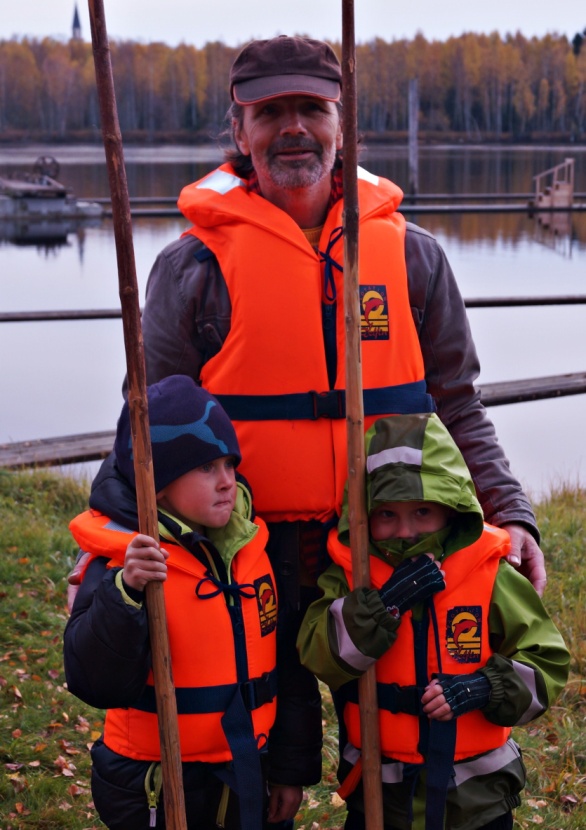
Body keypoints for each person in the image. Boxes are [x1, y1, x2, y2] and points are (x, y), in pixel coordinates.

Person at [129, 34, 546, 787]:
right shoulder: (190, 268)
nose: (294, 128)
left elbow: (456, 401)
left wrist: (510, 512)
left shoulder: (413, 255)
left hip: (389, 539)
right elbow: (149, 424)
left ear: (341, 123)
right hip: (251, 556)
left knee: (395, 757)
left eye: (312, 109)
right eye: (271, 112)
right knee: (267, 774)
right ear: (239, 130)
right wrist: (113, 548)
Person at [297, 412, 569, 830]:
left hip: (476, 801)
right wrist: (383, 604)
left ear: (452, 508)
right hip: (379, 797)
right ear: (364, 514)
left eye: (422, 511)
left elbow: (547, 662)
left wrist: (483, 686)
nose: (405, 530)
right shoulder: (353, 575)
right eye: (386, 514)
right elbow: (317, 654)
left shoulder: (489, 572)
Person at [63, 375, 302, 830]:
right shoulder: (123, 561)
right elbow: (92, 679)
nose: (227, 482)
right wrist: (126, 593)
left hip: (250, 771)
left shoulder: (249, 552)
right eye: (206, 467)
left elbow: (284, 671)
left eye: (230, 465)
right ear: (159, 483)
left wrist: (292, 769)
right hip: (154, 783)